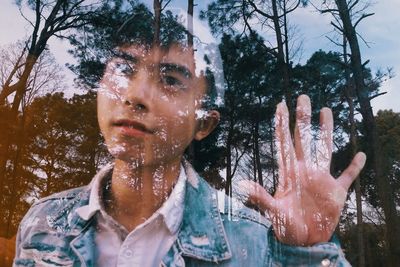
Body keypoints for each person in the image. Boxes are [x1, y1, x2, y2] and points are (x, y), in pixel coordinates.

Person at [13, 5, 366, 267]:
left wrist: (306, 251)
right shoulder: (43, 223)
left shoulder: (251, 242)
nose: (135, 95)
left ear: (204, 125)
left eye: (170, 80)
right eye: (122, 69)